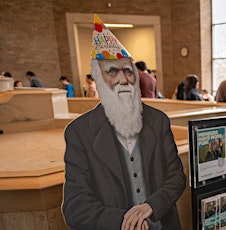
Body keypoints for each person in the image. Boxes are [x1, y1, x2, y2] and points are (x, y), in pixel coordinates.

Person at [62, 14, 186, 230]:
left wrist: (151, 206)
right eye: (112, 71)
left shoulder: (158, 121)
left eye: (128, 71)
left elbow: (176, 178)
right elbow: (75, 207)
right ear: (98, 81)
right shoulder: (79, 133)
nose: (123, 79)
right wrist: (125, 221)